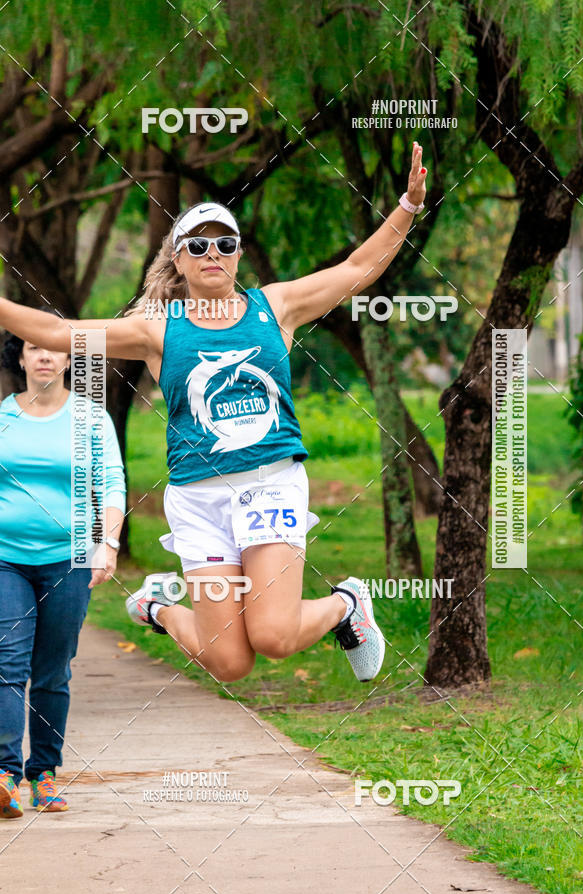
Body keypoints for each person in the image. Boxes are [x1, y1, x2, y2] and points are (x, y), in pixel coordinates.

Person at [0, 143, 427, 689]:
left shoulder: (276, 307)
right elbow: (60, 334)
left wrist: (407, 206)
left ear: (238, 254)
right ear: (178, 258)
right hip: (198, 498)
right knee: (230, 664)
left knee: (273, 638)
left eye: (224, 244)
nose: (212, 253)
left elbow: (357, 268)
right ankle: (158, 608)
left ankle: (346, 605)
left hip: (270, 484)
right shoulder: (157, 328)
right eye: (197, 245)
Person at [0, 326, 126, 818]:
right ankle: (6, 776)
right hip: (5, 557)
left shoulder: (91, 418)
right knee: (7, 662)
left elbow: (112, 482)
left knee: (52, 670)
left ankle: (44, 774)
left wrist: (109, 545)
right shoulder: (3, 417)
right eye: (35, 348)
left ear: (71, 360)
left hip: (69, 559)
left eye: (54, 348)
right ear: (22, 357)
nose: (46, 356)